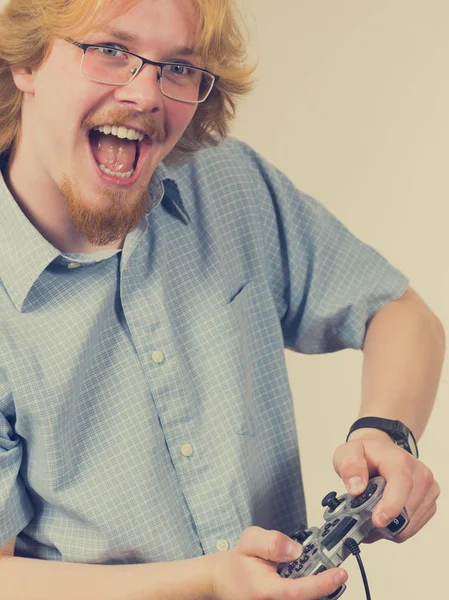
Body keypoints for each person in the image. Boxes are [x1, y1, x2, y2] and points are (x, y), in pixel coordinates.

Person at [0, 0, 444, 598]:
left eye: (178, 67)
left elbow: (401, 312)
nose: (146, 95)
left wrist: (384, 435)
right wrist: (207, 582)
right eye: (110, 51)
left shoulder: (225, 181)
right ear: (27, 60)